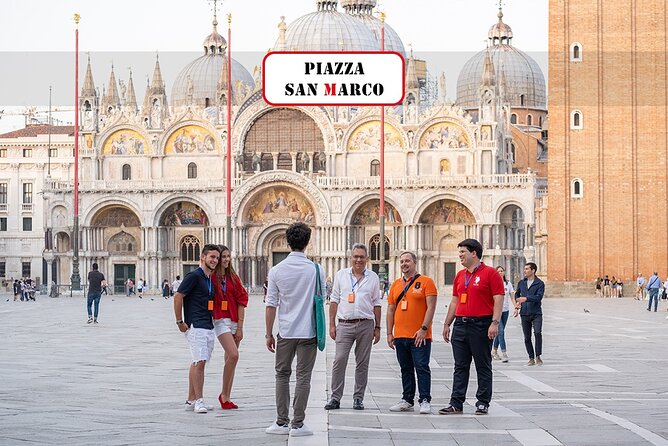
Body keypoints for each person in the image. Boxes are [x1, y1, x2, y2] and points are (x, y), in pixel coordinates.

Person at [265, 222, 325, 437]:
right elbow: (322, 299)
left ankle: (281, 422)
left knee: (282, 375)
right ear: (307, 243)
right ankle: (298, 424)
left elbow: (271, 304)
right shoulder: (317, 270)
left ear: (288, 242)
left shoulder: (276, 270)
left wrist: (268, 333)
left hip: (286, 332)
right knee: (303, 377)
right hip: (309, 331)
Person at [440, 239, 503, 416]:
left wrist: (495, 323)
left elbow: (498, 298)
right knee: (460, 366)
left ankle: (482, 402)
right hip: (461, 324)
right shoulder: (460, 276)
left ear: (474, 253)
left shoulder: (490, 273)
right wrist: (447, 323)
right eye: (459, 252)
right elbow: (454, 300)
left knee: (483, 365)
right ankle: (456, 403)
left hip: (481, 324)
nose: (460, 255)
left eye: (462, 252)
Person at [324, 243, 381, 412]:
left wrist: (378, 327)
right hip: (345, 324)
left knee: (362, 363)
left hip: (366, 324)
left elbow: (377, 303)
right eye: (356, 256)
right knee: (339, 360)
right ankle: (335, 398)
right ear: (351, 258)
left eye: (362, 257)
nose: (358, 259)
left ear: (367, 259)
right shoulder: (341, 275)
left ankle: (358, 398)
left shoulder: (373, 277)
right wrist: (332, 324)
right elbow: (334, 300)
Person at [386, 251, 438, 414]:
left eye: (407, 261)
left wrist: (423, 329)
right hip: (400, 335)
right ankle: (407, 399)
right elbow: (390, 309)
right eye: (401, 261)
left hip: (419, 335)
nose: (404, 264)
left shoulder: (426, 282)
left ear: (415, 262)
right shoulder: (395, 284)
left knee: (422, 367)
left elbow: (431, 307)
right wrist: (389, 332)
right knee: (405, 368)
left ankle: (425, 400)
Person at [173, 244, 221, 414]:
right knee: (199, 362)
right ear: (203, 257)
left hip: (207, 325)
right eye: (212, 257)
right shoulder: (194, 276)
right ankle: (199, 401)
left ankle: (191, 400)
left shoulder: (209, 278)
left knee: (198, 361)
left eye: (217, 257)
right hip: (196, 325)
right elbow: (178, 296)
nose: (215, 260)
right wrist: (180, 321)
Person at [212, 245, 248, 410]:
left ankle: (226, 395)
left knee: (229, 360)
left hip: (234, 320)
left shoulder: (234, 277)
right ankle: (224, 396)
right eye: (222, 257)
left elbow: (242, 301)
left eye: (227, 256)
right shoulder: (211, 277)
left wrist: (240, 327)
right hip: (219, 320)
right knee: (234, 355)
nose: (225, 259)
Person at [515, 262, 546, 366]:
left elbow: (539, 297)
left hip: (536, 313)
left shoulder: (540, 283)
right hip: (524, 313)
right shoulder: (521, 283)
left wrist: (526, 298)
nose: (525, 271)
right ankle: (531, 357)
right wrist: (517, 303)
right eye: (524, 269)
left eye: (527, 269)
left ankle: (538, 356)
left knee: (537, 333)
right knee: (527, 337)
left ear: (533, 271)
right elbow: (517, 294)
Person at [492, 266, 517, 363]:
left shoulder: (508, 284)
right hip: (496, 311)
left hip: (505, 311)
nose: (500, 273)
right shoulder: (493, 283)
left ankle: (494, 350)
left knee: (499, 333)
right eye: (498, 271)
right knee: (501, 331)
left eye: (501, 271)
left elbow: (512, 297)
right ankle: (504, 353)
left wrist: (516, 307)